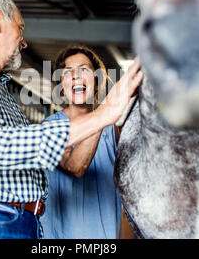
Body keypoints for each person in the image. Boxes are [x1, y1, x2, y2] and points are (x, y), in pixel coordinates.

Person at [0, 0, 143, 239]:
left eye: (84, 70)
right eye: (20, 27)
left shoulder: (0, 92)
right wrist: (107, 111)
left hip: (18, 222)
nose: (24, 41)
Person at [40, 45, 134, 239]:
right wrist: (105, 112)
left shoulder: (112, 129)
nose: (76, 76)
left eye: (84, 69)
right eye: (68, 72)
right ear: (61, 86)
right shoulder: (49, 127)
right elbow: (76, 167)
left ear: (97, 81)